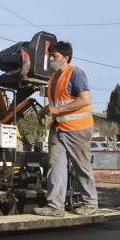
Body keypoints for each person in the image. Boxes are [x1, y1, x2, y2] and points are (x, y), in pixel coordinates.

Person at [34, 41, 98, 217]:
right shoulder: (54, 77)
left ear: (66, 58)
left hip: (77, 129)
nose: (51, 59)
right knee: (56, 166)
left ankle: (90, 204)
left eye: (54, 56)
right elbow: (57, 103)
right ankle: (55, 206)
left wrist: (58, 110)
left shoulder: (76, 74)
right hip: (59, 128)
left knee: (81, 166)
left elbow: (85, 100)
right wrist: (45, 110)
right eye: (50, 55)